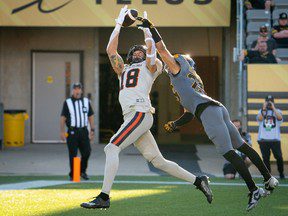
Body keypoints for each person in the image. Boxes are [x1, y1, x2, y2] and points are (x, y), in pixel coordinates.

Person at [136, 12, 279, 211]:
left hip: (209, 113)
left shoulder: (178, 71)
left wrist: (150, 28)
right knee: (242, 146)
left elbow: (162, 49)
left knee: (228, 152)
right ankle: (269, 178)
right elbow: (189, 112)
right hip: (218, 109)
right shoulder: (191, 77)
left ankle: (254, 188)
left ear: (180, 62)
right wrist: (176, 124)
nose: (171, 63)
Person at [80, 6, 213, 210]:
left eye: (141, 51)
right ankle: (199, 180)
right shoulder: (122, 69)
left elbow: (152, 54)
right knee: (158, 161)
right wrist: (118, 24)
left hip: (140, 113)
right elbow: (110, 51)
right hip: (132, 117)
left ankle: (104, 197)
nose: (138, 53)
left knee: (111, 147)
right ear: (131, 55)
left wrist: (146, 30)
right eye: (135, 51)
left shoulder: (151, 66)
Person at [60, 83, 94, 181]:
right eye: (75, 89)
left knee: (87, 152)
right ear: (72, 90)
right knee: (73, 154)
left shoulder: (86, 102)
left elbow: (90, 116)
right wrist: (62, 131)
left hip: (83, 131)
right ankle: (73, 174)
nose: (77, 91)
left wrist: (92, 129)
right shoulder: (68, 102)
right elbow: (63, 117)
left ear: (81, 90)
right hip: (72, 132)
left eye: (79, 89)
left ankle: (82, 171)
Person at [257, 95, 284, 179]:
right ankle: (268, 175)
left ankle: (281, 173)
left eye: (270, 101)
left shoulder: (278, 111)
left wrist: (273, 108)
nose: (269, 103)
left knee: (279, 157)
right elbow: (260, 118)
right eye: (267, 101)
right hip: (263, 140)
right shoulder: (261, 111)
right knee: (265, 158)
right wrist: (264, 108)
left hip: (275, 139)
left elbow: (279, 118)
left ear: (273, 102)